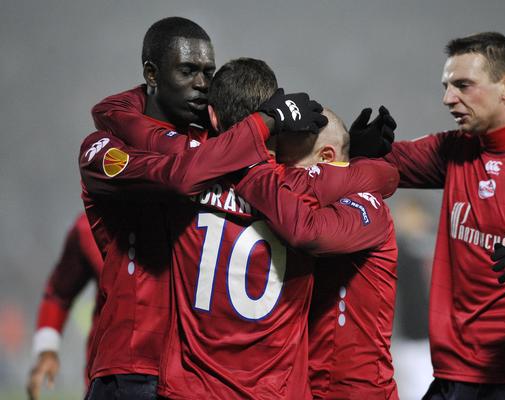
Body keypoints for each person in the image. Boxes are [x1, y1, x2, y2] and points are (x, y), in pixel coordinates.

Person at [85, 57, 398, 399]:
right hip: (276, 391)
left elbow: (132, 125)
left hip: (189, 387)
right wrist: (354, 159)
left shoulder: (189, 171)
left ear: (213, 117)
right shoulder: (303, 188)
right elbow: (383, 177)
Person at [80, 17, 326, 400]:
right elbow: (178, 175)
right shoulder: (103, 148)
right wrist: (265, 121)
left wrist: (351, 156)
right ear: (152, 73)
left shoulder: (215, 146)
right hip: (134, 363)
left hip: (194, 372)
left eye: (208, 72)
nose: (202, 83)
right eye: (188, 71)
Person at [355, 31, 505, 399]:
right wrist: (357, 147)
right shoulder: (455, 150)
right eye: (447, 87)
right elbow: (385, 163)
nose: (448, 98)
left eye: (463, 85)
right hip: (453, 375)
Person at [234, 108, 400, 399]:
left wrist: (253, 169)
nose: (282, 177)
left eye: (289, 164)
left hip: (356, 391)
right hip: (302, 384)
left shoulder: (367, 206)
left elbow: (309, 233)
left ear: (326, 158)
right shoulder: (301, 207)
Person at [26, 212, 102, 400]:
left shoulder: (176, 220)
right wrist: (47, 348)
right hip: (107, 377)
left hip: (171, 376)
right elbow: (59, 292)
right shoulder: (90, 226)